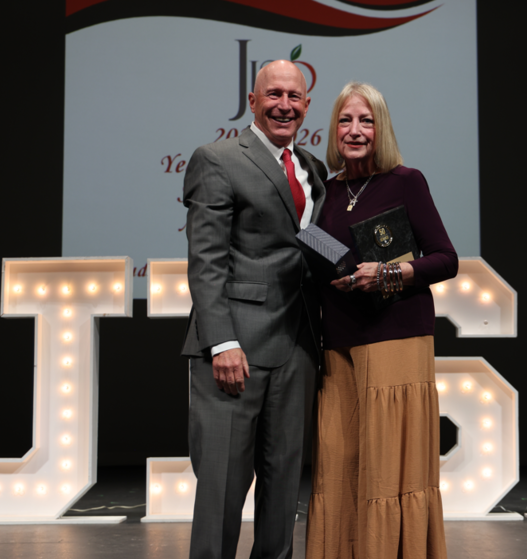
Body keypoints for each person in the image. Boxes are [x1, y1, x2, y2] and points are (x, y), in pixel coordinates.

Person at [180, 60, 327, 559]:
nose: (284, 105)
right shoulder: (217, 158)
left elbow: (312, 245)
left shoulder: (313, 168)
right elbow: (205, 261)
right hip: (235, 349)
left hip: (299, 347)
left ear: (307, 105)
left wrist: (365, 268)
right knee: (221, 489)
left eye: (294, 96)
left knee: (284, 487)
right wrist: (221, 341)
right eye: (274, 95)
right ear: (253, 100)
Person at [305, 82, 457, 559]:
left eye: (366, 120)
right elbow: (327, 257)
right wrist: (343, 273)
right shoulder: (326, 192)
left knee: (387, 469)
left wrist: (390, 272)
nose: (355, 130)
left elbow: (446, 259)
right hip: (338, 345)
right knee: (341, 466)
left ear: (381, 127)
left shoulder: (406, 181)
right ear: (334, 129)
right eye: (346, 121)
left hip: (395, 338)